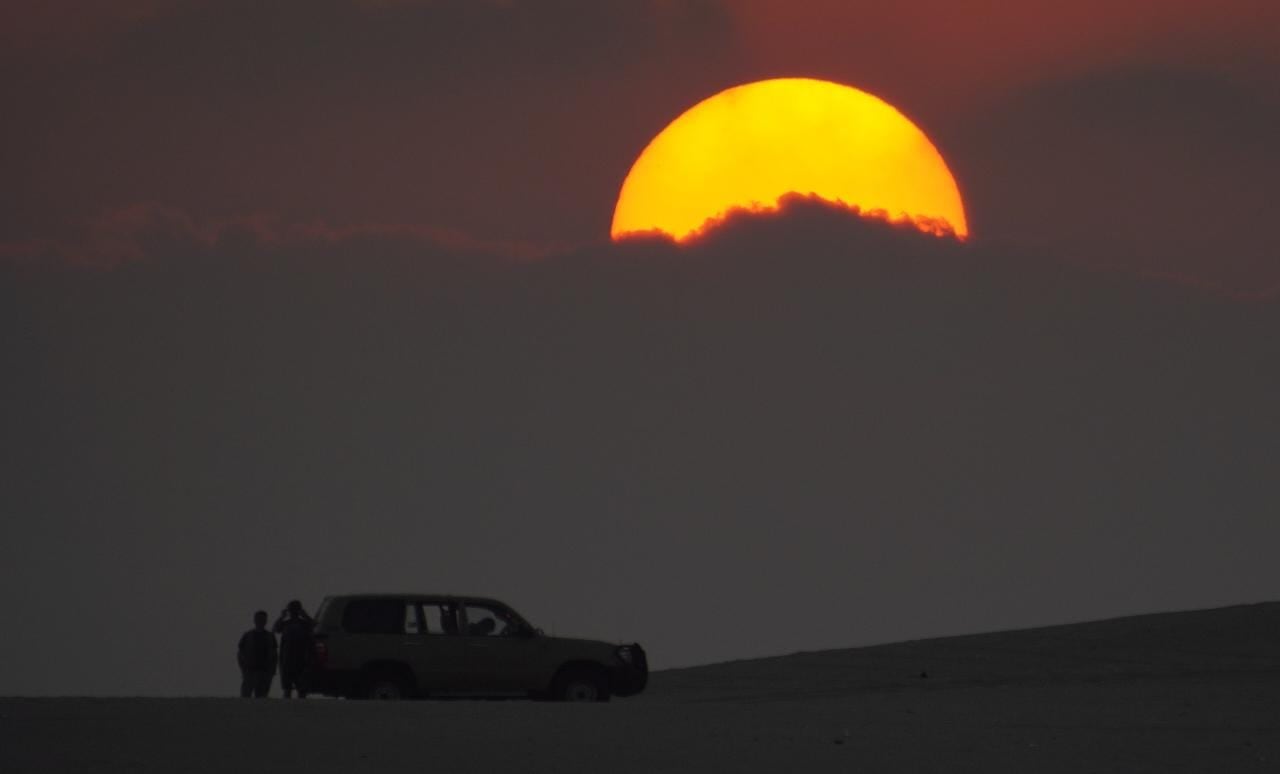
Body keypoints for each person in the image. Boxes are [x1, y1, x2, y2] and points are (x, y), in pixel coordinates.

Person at [273, 599, 314, 699]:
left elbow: (315, 626)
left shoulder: (304, 624)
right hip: (287, 659)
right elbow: (276, 628)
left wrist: (305, 616)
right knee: (287, 688)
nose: (293, 612)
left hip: (302, 659)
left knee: (302, 688)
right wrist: (281, 617)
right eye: (292, 610)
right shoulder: (286, 623)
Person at [237, 610, 278, 698]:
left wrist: (271, 671)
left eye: (263, 619)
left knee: (261, 699)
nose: (261, 621)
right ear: (255, 620)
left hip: (264, 672)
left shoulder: (270, 636)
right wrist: (244, 668)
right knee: (246, 697)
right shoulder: (248, 635)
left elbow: (274, 655)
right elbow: (240, 653)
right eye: (259, 619)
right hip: (250, 671)